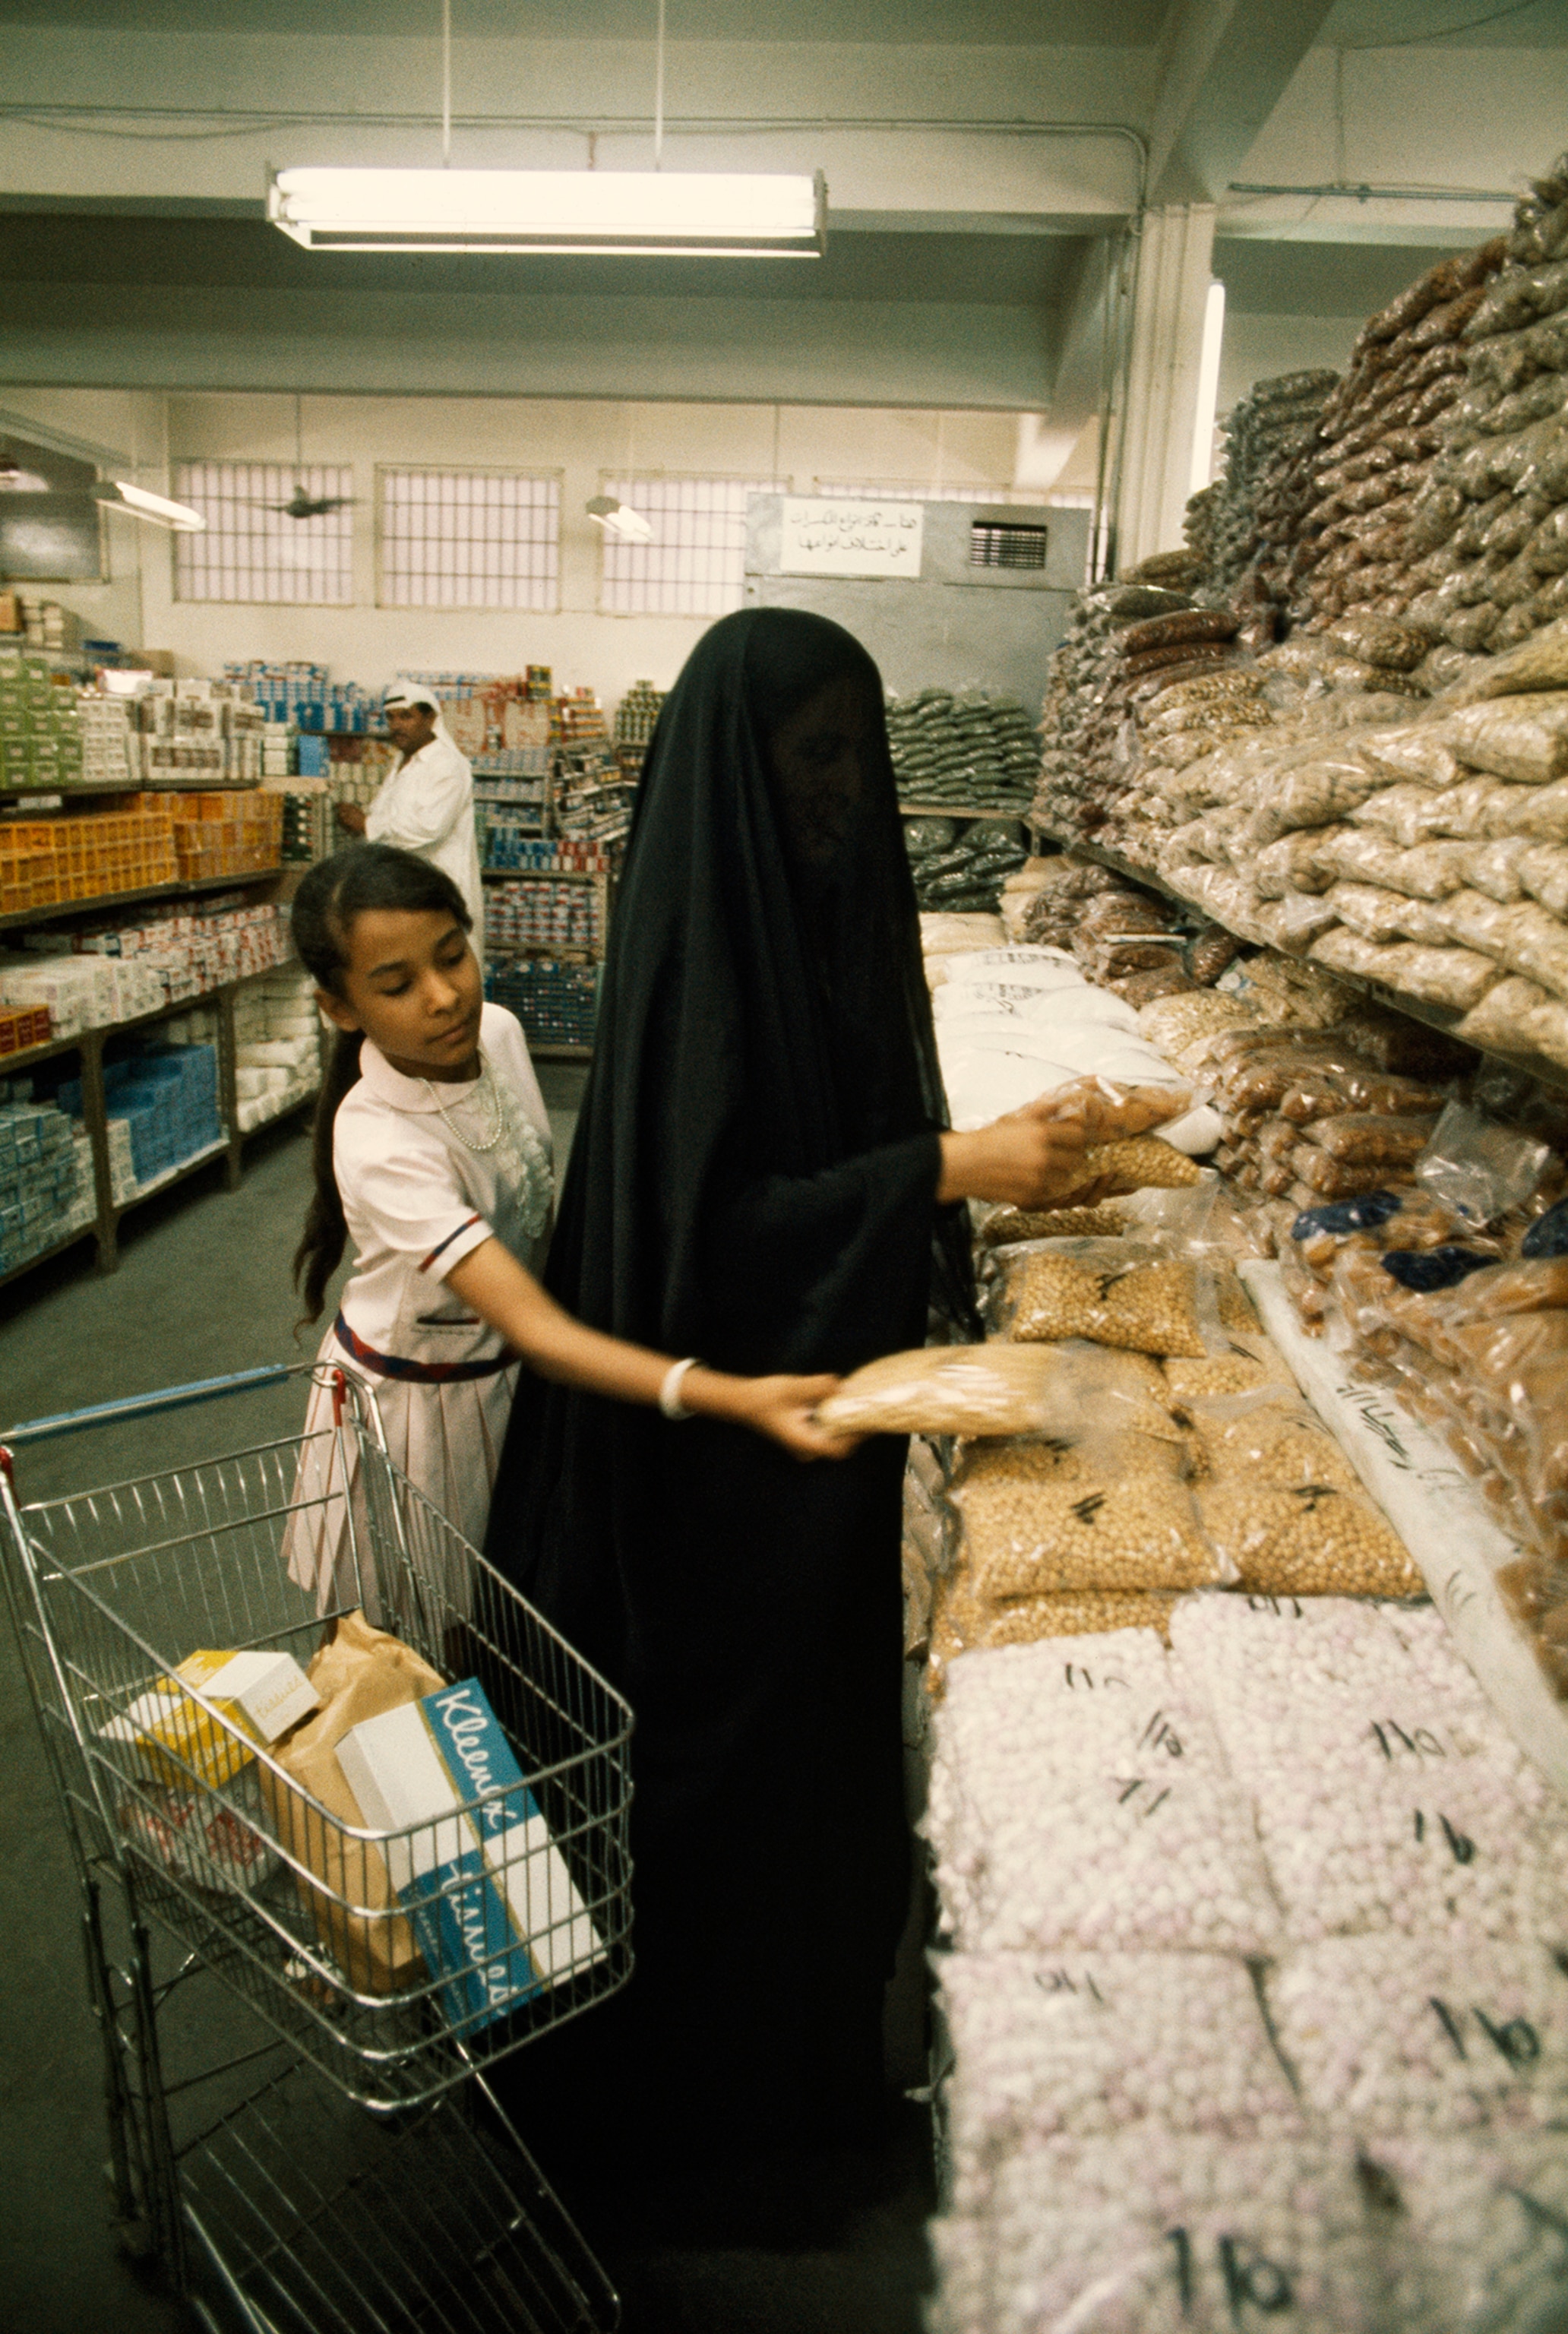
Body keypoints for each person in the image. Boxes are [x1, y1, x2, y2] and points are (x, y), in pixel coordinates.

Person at [482, 608, 1099, 2187]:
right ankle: (700, 2135)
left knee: (805, 1779)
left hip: (804, 1429)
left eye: (858, 754)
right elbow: (719, 1230)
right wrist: (945, 1173)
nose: (844, 791)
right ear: (742, 762)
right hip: (707, 1460)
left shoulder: (807, 917)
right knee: (724, 1791)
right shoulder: (708, 951)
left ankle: (793, 2093)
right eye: (813, 754)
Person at [283, 841, 850, 1619]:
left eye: (453, 957)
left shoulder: (501, 1036)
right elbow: (535, 1324)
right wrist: (734, 1397)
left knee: (499, 1614)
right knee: (400, 1637)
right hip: (417, 1412)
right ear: (340, 1008)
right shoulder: (381, 1141)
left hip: (513, 1387)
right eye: (397, 985)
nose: (444, 996)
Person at [336, 685, 483, 934]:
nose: (397, 725)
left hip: (439, 894)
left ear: (430, 719)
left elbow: (429, 827)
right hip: (402, 891)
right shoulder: (403, 762)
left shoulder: (447, 764)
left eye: (406, 716)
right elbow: (388, 817)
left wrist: (367, 825)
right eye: (391, 718)